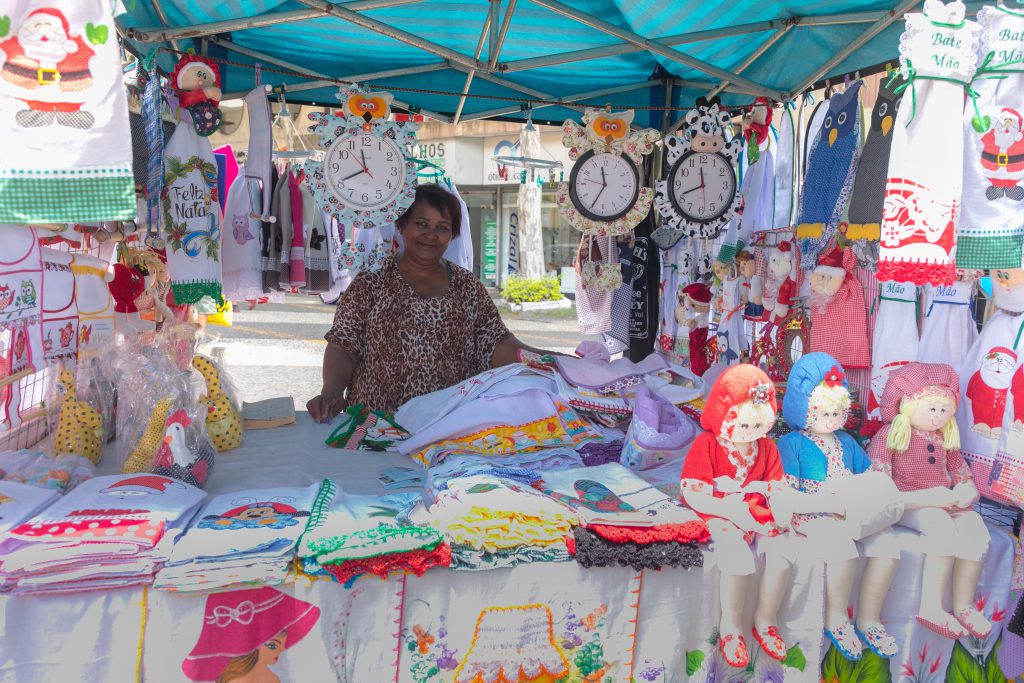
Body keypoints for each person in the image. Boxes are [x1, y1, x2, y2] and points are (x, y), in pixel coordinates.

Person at [307, 184, 550, 420]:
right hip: (375, 426)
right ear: (401, 225)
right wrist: (332, 391)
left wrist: (548, 359)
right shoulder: (371, 281)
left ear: (452, 234)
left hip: (446, 427)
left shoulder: (467, 286)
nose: (431, 235)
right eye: (421, 224)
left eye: (442, 227)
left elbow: (495, 342)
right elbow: (343, 344)